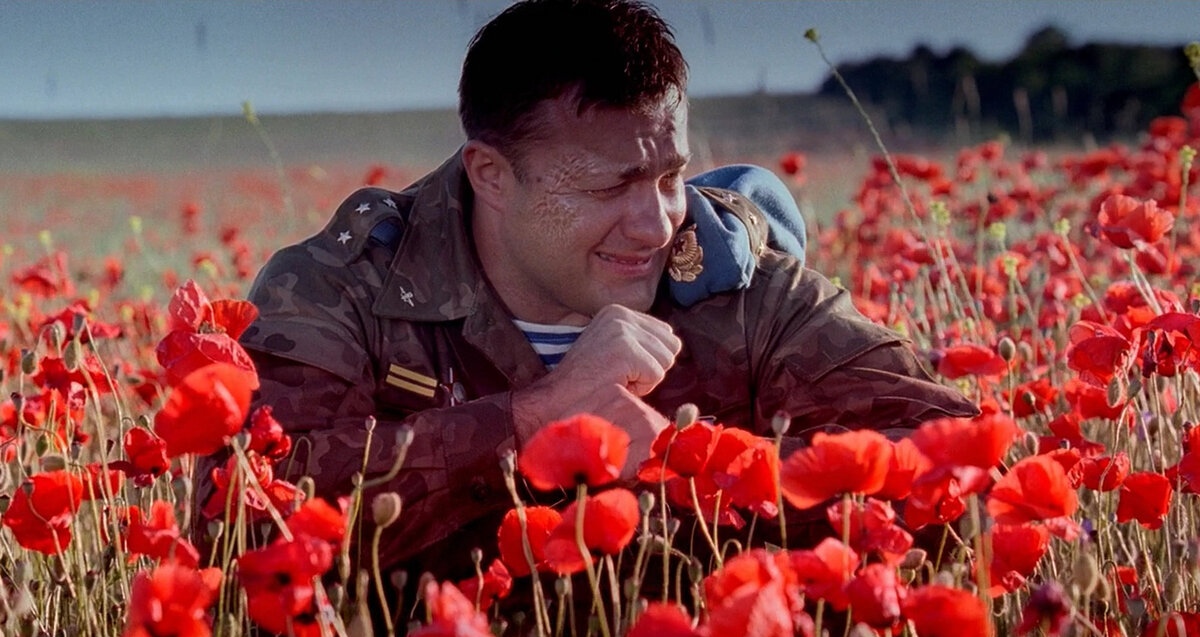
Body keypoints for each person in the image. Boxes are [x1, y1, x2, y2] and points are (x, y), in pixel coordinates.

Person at [194, 0, 976, 583]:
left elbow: (966, 471)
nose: (656, 223)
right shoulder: (344, 288)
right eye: (610, 187)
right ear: (491, 175)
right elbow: (235, 525)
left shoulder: (738, 285)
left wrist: (689, 469)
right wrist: (532, 417)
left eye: (669, 176)